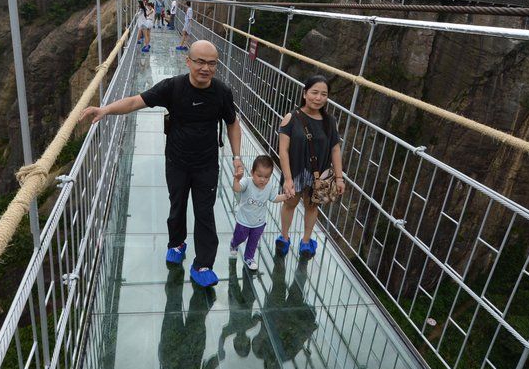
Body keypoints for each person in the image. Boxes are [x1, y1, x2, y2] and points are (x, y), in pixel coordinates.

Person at [81, 39, 242, 287]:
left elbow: (232, 122)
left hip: (206, 164)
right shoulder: (173, 87)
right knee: (177, 205)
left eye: (212, 63)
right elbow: (136, 101)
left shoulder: (221, 92)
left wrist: (237, 157)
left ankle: (203, 265)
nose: (205, 68)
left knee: (205, 213)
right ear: (188, 61)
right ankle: (176, 244)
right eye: (200, 61)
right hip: (177, 161)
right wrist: (105, 110)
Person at [276, 75, 346, 260]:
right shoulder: (291, 118)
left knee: (312, 206)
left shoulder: (330, 121)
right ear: (305, 93)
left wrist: (339, 178)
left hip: (318, 174)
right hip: (295, 172)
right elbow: (283, 150)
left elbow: (335, 149)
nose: (319, 98)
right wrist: (288, 179)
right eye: (314, 92)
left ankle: (305, 241)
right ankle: (284, 237)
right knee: (290, 203)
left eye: (324, 94)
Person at [230, 155, 288, 271]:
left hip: (259, 222)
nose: (263, 179)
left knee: (253, 241)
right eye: (259, 175)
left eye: (266, 177)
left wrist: (286, 196)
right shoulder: (247, 182)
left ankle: (249, 257)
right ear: (252, 172)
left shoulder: (269, 186)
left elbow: (274, 198)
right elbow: (237, 189)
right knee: (240, 237)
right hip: (243, 221)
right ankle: (234, 243)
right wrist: (236, 179)